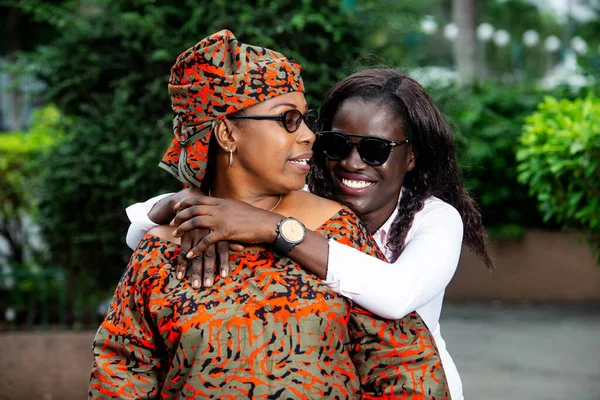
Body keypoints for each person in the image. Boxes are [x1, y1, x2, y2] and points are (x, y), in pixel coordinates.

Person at [90, 30, 450, 399]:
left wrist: (270, 227)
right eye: (288, 119)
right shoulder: (162, 250)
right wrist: (181, 208)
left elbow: (406, 366)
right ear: (227, 134)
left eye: (305, 119)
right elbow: (121, 372)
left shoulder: (335, 228)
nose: (310, 135)